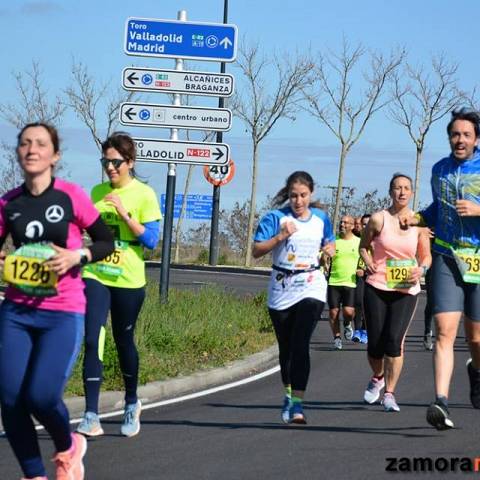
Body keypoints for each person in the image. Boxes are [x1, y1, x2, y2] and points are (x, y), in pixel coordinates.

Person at [0, 123, 114, 480]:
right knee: (10, 398)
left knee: (42, 395)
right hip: (16, 312)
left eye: (40, 144)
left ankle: (69, 447)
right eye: (24, 144)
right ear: (18, 153)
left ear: (55, 155)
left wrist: (75, 256)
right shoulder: (8, 203)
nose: (31, 149)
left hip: (61, 312)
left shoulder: (71, 196)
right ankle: (34, 474)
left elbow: (106, 242)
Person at [77, 132, 161, 438]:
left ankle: (130, 402)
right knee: (91, 338)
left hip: (129, 278)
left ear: (130, 162)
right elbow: (82, 230)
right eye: (105, 161)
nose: (110, 167)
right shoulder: (96, 192)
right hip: (96, 273)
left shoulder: (144, 194)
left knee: (123, 340)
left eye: (115, 162)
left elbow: (151, 241)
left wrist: (123, 213)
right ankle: (90, 414)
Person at [401, 109, 480, 429]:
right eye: (455, 134)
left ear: (476, 139)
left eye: (466, 135)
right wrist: (417, 218)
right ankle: (441, 402)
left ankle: (476, 371)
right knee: (445, 331)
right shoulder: (439, 170)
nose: (459, 139)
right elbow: (437, 210)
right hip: (446, 255)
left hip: (477, 257)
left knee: (476, 338)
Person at [253, 171, 335, 424]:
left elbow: (329, 241)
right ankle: (288, 395)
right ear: (287, 195)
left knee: (301, 344)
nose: (298, 201)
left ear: (311, 194)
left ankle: (298, 405)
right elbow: (256, 250)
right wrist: (280, 237)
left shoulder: (321, 218)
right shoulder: (275, 218)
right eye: (293, 196)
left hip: (311, 283)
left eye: (303, 196)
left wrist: (329, 249)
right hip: (281, 286)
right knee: (286, 348)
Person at [360, 173, 431, 412]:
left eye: (406, 188)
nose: (401, 192)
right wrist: (368, 260)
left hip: (406, 289)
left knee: (394, 341)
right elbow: (363, 247)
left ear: (412, 193)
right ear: (390, 192)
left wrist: (421, 270)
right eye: (397, 188)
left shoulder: (420, 222)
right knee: (375, 345)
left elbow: (426, 255)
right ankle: (378, 376)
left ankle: (389, 393)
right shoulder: (379, 219)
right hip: (377, 285)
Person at [327, 215, 360, 349]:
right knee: (333, 312)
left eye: (346, 223)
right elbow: (322, 257)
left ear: (352, 226)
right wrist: (324, 259)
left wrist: (363, 268)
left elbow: (367, 255)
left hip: (350, 282)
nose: (342, 224)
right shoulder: (333, 241)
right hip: (334, 281)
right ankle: (337, 338)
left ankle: (347, 323)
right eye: (341, 222)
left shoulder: (359, 242)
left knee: (348, 312)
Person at [352, 213, 371, 344]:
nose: (366, 227)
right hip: (358, 277)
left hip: (373, 277)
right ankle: (357, 330)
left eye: (369, 224)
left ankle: (365, 331)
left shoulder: (378, 240)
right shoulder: (355, 240)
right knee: (358, 303)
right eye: (364, 224)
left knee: (369, 305)